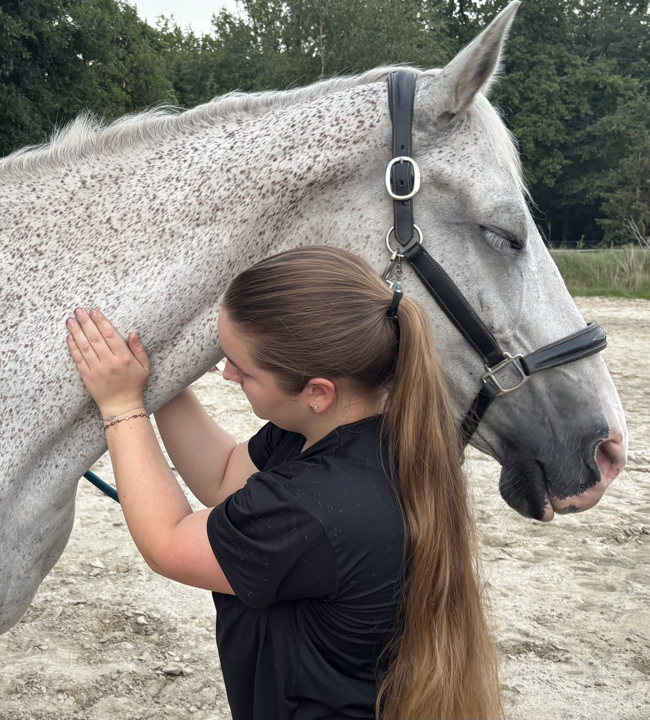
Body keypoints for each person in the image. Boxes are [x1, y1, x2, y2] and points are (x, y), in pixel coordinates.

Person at [64, 246, 501, 720]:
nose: (227, 373)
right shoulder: (352, 432)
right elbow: (224, 475)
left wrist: (121, 406)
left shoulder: (310, 509)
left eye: (242, 369)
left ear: (317, 392)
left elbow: (168, 543)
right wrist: (165, 386)